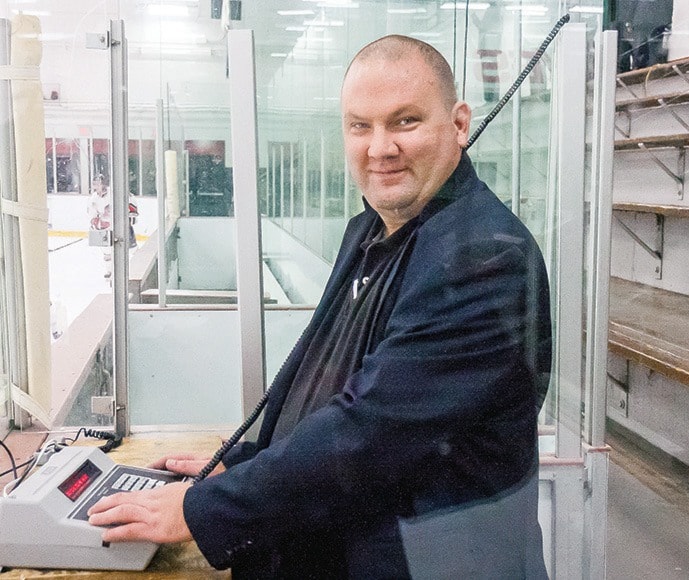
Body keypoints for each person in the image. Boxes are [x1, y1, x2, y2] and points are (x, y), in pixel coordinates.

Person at [88, 35, 552, 579]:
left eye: (405, 121)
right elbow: (333, 388)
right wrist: (241, 464)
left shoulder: (482, 258)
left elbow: (369, 432)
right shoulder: (374, 230)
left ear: (459, 124)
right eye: (361, 125)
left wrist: (203, 509)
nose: (380, 147)